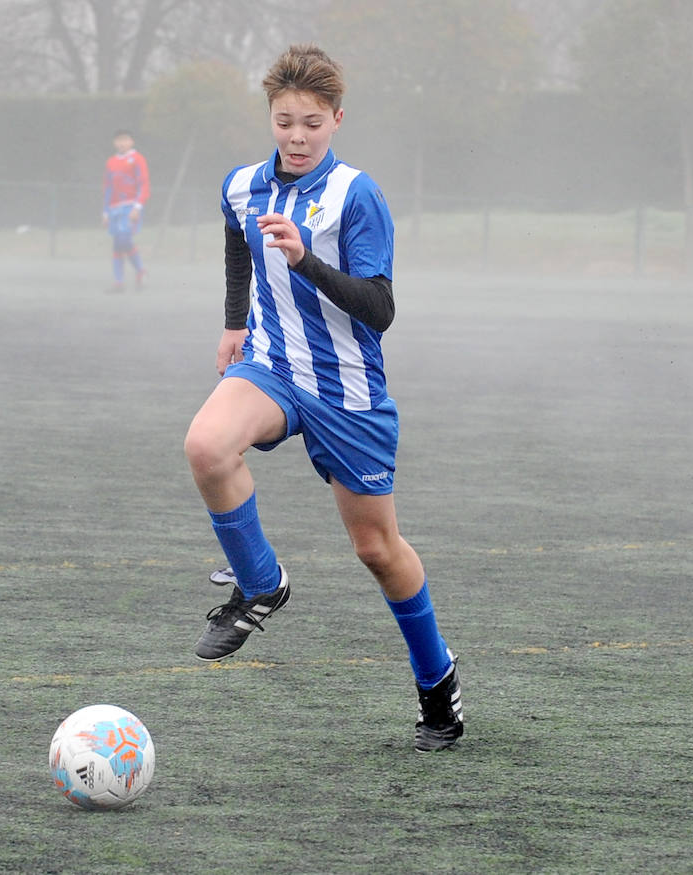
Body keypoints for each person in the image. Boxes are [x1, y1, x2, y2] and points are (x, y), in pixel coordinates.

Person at [183, 44, 463, 752]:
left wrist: (308, 258)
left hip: (349, 390)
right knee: (207, 446)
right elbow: (238, 237)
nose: (297, 136)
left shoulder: (356, 196)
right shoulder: (242, 185)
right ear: (270, 119)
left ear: (337, 119)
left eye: (312, 122)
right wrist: (234, 321)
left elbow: (380, 308)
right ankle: (261, 583)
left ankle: (437, 681)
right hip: (272, 367)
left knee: (377, 548)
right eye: (284, 122)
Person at [102, 129, 149, 292]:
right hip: (114, 208)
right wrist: (105, 211)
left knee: (124, 240)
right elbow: (107, 187)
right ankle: (119, 282)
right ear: (114, 142)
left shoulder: (137, 159)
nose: (122, 143)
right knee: (117, 244)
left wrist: (137, 206)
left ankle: (140, 270)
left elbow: (144, 184)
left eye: (125, 139)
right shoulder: (111, 162)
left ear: (131, 141)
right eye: (119, 140)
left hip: (129, 206)